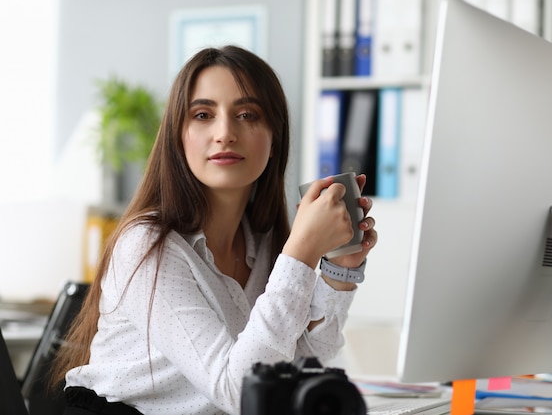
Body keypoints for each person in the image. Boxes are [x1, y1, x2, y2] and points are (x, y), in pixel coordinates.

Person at [50, 45, 377, 415]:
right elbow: (241, 393)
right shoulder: (144, 246)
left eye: (247, 115)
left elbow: (293, 371)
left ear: (274, 141)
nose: (225, 133)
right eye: (203, 114)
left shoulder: (264, 242)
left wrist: (340, 270)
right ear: (178, 136)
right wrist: (301, 253)